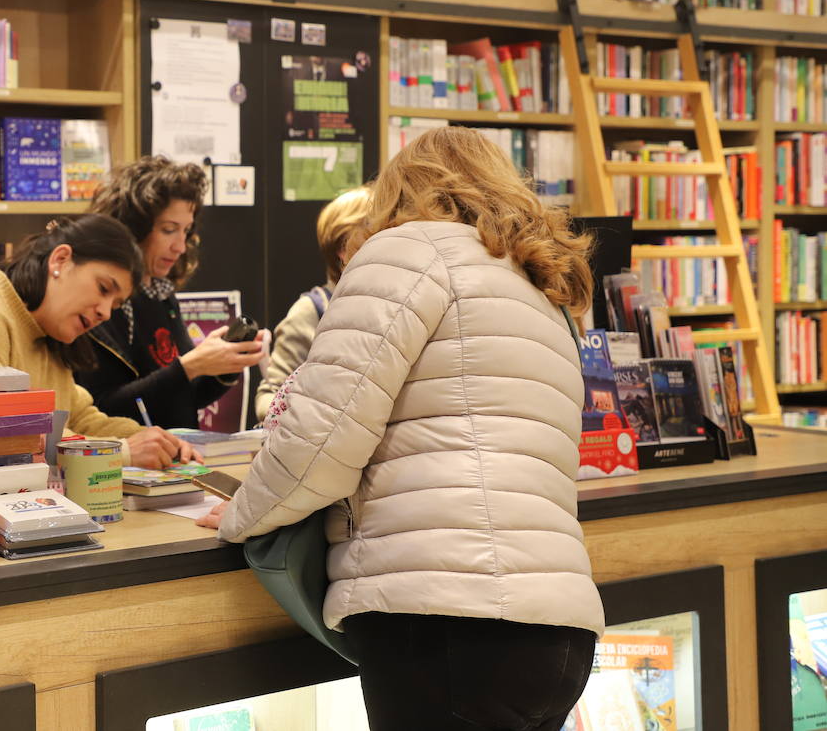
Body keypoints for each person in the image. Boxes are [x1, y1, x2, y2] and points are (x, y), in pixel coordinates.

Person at [199, 127, 603, 730]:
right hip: (558, 629)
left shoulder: (404, 253)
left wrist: (240, 517)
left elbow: (318, 442)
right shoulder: (539, 287)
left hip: (444, 623)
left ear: (397, 190)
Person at [0, 213, 199, 470]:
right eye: (103, 288)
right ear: (61, 260)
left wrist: (157, 442)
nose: (106, 313)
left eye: (115, 304)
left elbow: (79, 419)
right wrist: (122, 452)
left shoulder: (49, 332)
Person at [79, 156, 265, 427]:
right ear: (132, 227)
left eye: (186, 231)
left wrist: (222, 366)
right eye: (169, 230)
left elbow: (185, 397)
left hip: (175, 460)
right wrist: (190, 366)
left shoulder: (160, 294)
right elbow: (102, 411)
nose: (180, 246)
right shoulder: (99, 303)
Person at [254, 184, 373, 421]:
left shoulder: (396, 303)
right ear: (344, 247)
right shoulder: (311, 311)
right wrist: (313, 417)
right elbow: (268, 401)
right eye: (375, 234)